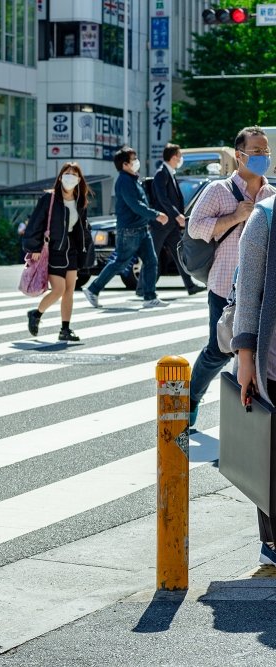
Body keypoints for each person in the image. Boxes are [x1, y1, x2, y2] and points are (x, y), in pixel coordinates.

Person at [187, 126, 276, 428]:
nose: (263, 156)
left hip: (260, 291)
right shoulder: (219, 190)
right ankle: (190, 400)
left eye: (266, 151)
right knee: (218, 350)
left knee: (251, 352)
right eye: (256, 151)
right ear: (239, 156)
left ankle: (247, 421)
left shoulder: (271, 194)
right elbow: (195, 228)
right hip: (225, 286)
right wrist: (235, 217)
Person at [231, 195, 276, 567]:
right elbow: (247, 292)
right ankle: (272, 542)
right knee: (269, 454)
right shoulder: (265, 216)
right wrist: (245, 357)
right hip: (273, 361)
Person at [82, 146, 170, 309]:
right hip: (130, 230)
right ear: (124, 164)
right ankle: (93, 289)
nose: (137, 161)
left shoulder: (132, 179)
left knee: (151, 261)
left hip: (141, 229)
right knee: (120, 262)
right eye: (133, 159)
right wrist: (156, 214)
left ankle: (150, 297)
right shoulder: (124, 181)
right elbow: (135, 205)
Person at [23, 162, 92, 342]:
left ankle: (65, 329)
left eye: (74, 174)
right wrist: (34, 247)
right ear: (60, 177)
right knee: (59, 289)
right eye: (67, 173)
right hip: (53, 249)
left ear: (79, 180)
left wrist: (86, 250)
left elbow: (83, 228)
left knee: (70, 290)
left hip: (72, 249)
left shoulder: (80, 200)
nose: (71, 177)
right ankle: (36, 314)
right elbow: (36, 223)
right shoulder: (50, 198)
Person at [151, 143, 204, 295]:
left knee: (179, 255)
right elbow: (162, 198)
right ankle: (143, 288)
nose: (181, 159)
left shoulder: (170, 173)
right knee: (152, 256)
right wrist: (176, 215)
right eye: (180, 156)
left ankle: (190, 286)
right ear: (173, 157)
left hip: (171, 225)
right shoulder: (161, 173)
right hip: (162, 224)